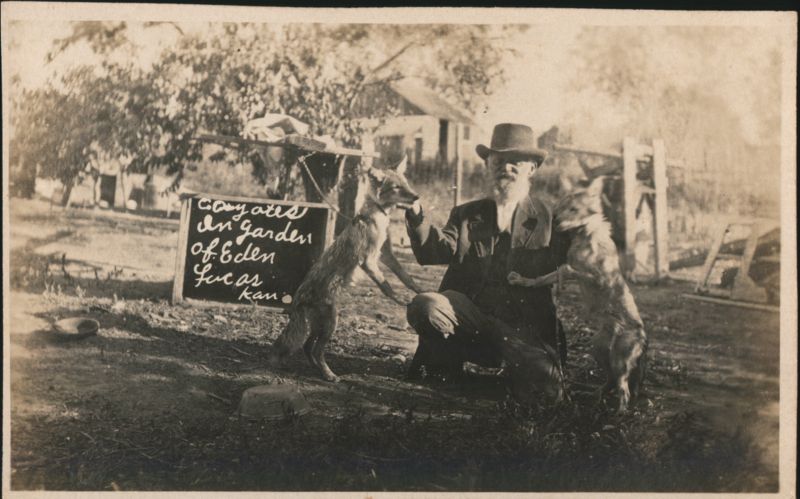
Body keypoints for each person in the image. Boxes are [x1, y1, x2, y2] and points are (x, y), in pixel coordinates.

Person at [404, 123, 570, 381]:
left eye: (516, 161)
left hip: (521, 328)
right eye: (499, 160)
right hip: (472, 320)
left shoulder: (549, 219)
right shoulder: (467, 214)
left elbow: (571, 266)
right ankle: (446, 362)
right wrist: (415, 213)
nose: (506, 167)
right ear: (487, 165)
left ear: (532, 169)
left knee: (545, 386)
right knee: (426, 306)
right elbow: (433, 252)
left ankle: (523, 368)